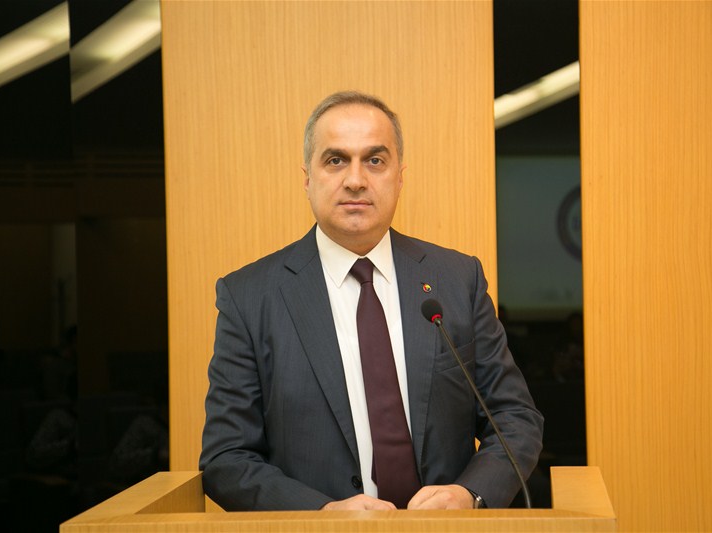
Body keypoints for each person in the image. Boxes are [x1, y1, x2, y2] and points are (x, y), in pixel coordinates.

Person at [199, 91, 543, 511]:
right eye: (335, 160)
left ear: (400, 177)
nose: (356, 180)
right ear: (307, 178)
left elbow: (514, 418)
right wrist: (321, 514)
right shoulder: (249, 298)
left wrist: (469, 494)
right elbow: (226, 458)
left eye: (375, 160)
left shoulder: (457, 280)